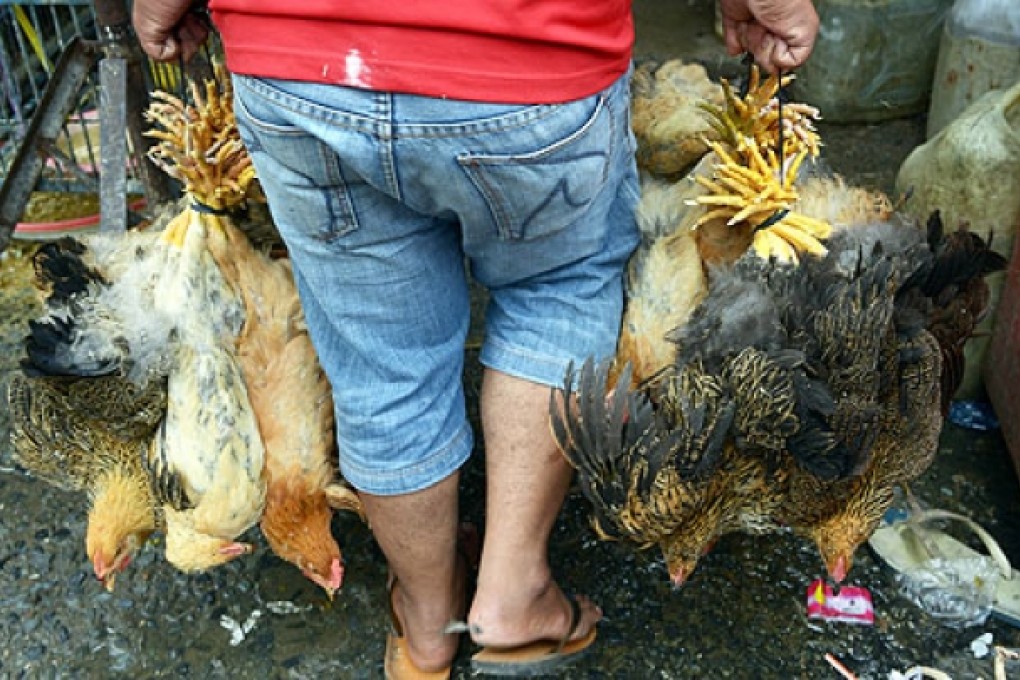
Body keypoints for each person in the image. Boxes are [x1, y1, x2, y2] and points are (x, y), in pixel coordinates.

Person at [133, 1, 819, 676]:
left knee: (382, 361)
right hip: (530, 56)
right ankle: (513, 595)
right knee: (557, 288)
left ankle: (429, 622)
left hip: (301, 64)